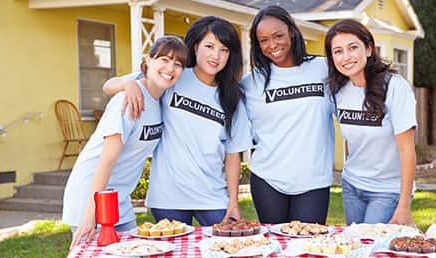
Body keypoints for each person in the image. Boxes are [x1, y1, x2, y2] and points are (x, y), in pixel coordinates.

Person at [103, 17, 252, 226]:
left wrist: (233, 202)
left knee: (222, 252)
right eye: (209, 46)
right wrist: (128, 84)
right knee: (174, 257)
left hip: (212, 196)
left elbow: (233, 154)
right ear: (196, 46)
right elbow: (109, 85)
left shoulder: (233, 97)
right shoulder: (174, 75)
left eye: (224, 49)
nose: (216, 55)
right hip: (168, 195)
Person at [66, 36, 188, 248]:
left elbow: (112, 83)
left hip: (119, 199)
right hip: (92, 195)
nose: (170, 68)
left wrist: (127, 82)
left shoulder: (159, 97)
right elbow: (106, 161)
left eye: (178, 64)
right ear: (148, 60)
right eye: (164, 60)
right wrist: (90, 214)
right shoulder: (128, 100)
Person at [242, 5, 335, 224]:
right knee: (275, 249)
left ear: (291, 32)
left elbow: (362, 82)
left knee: (308, 247)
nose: (272, 45)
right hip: (267, 180)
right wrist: (143, 83)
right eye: (263, 40)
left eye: (278, 36)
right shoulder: (250, 83)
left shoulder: (324, 69)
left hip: (314, 180)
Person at [324, 19, 417, 226]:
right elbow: (352, 140)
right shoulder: (338, 90)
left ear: (368, 49)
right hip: (352, 186)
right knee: (357, 248)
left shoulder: (395, 88)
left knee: (373, 250)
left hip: (387, 190)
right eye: (337, 51)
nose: (346, 57)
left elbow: (407, 150)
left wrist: (403, 207)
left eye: (353, 47)